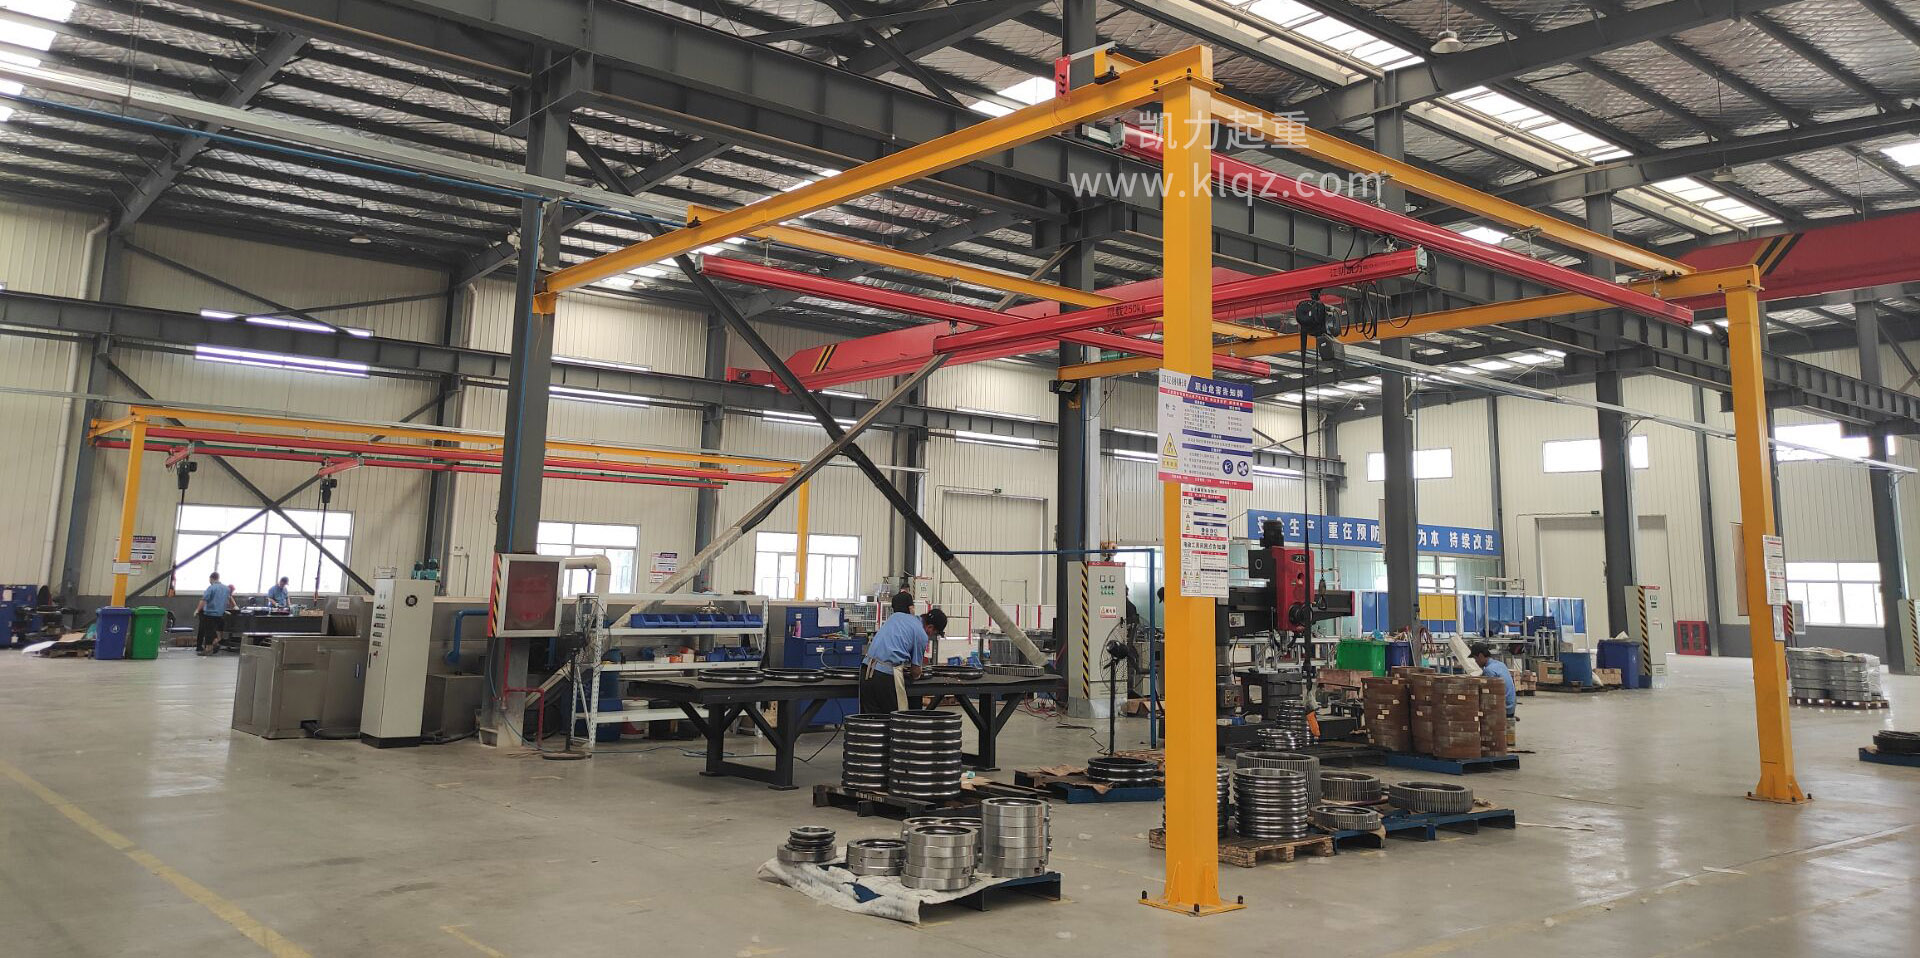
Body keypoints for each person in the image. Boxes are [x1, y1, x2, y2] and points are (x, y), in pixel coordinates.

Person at [860, 592, 945, 713]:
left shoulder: (897, 616)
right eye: (935, 633)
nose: (932, 636)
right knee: (895, 719)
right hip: (885, 677)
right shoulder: (921, 635)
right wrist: (916, 674)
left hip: (866, 670)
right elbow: (916, 671)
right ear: (930, 627)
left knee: (871, 719)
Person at [1469, 642, 1516, 716]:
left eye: (1475, 658)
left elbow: (1486, 694)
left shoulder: (1489, 670)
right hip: (1511, 707)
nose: (1476, 661)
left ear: (1480, 655)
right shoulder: (1500, 664)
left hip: (1504, 709)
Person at [195, 572, 234, 655]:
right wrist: (233, 607)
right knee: (214, 632)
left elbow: (204, 600)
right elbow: (229, 600)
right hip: (220, 614)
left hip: (210, 614)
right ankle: (215, 643)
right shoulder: (226, 589)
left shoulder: (211, 588)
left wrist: (197, 610)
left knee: (208, 632)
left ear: (211, 578)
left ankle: (209, 649)